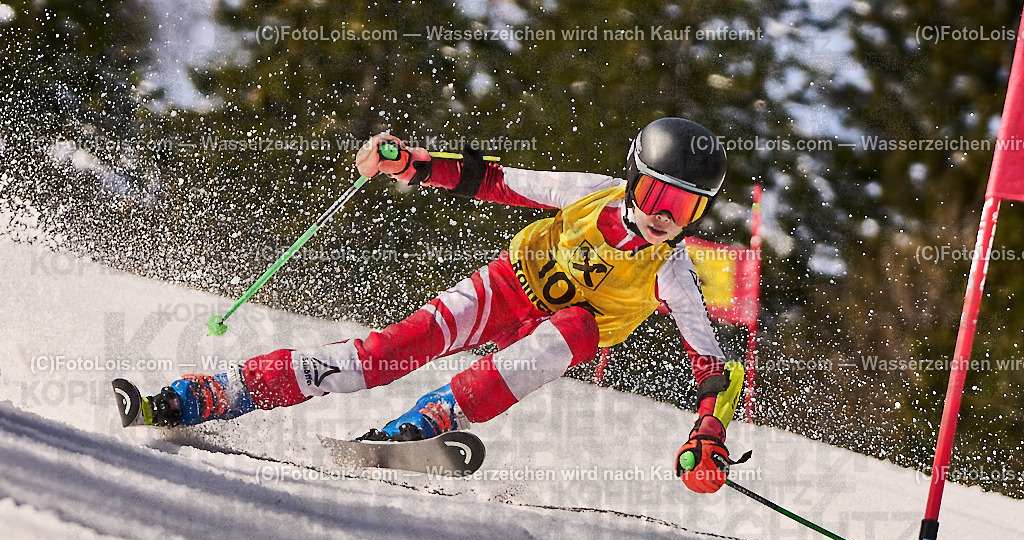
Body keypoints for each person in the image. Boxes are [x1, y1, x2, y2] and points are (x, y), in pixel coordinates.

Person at [124, 118, 746, 493]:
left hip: (552, 337)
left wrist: (709, 433)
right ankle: (208, 393)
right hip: (505, 288)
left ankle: (427, 423)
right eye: (659, 195)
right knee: (380, 357)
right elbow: (496, 181)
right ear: (634, 179)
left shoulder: (673, 271)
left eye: (686, 207)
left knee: (579, 327)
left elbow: (715, 367)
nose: (667, 217)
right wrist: (415, 164)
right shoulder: (589, 195)